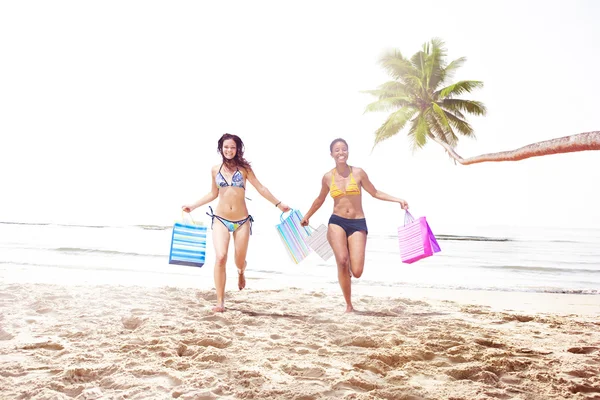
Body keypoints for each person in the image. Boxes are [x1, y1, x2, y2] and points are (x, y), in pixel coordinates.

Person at [182, 133, 290, 312]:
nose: (229, 150)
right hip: (220, 219)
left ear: (237, 149)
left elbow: (261, 188)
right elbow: (213, 194)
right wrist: (193, 206)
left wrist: (279, 204)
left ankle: (241, 272)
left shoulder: (244, 169)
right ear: (221, 148)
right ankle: (220, 302)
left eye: (232, 147)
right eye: (226, 147)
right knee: (220, 257)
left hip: (242, 221)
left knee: (239, 261)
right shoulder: (215, 169)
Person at [300, 138, 409, 313]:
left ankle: (348, 269)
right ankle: (349, 305)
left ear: (348, 152)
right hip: (337, 221)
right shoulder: (328, 177)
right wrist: (307, 216)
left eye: (344, 149)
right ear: (331, 154)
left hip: (358, 222)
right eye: (337, 150)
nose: (340, 152)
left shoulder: (358, 173)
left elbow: (375, 192)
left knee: (357, 271)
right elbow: (320, 199)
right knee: (342, 261)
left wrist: (398, 200)